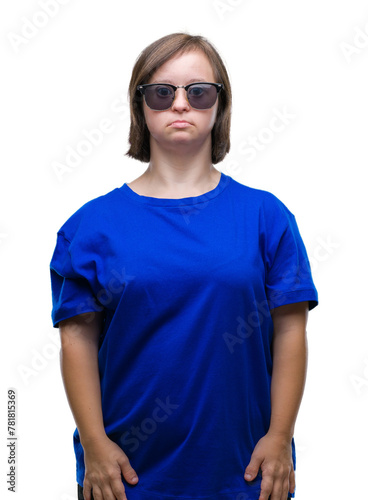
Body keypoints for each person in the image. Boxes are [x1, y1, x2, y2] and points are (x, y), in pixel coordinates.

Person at [49, 32, 318, 500]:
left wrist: (278, 440)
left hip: (245, 471)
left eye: (198, 92)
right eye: (161, 91)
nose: (180, 104)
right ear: (140, 107)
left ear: (220, 104)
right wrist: (93, 445)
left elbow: (291, 333)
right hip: (124, 476)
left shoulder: (265, 216)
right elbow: (76, 341)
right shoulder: (91, 225)